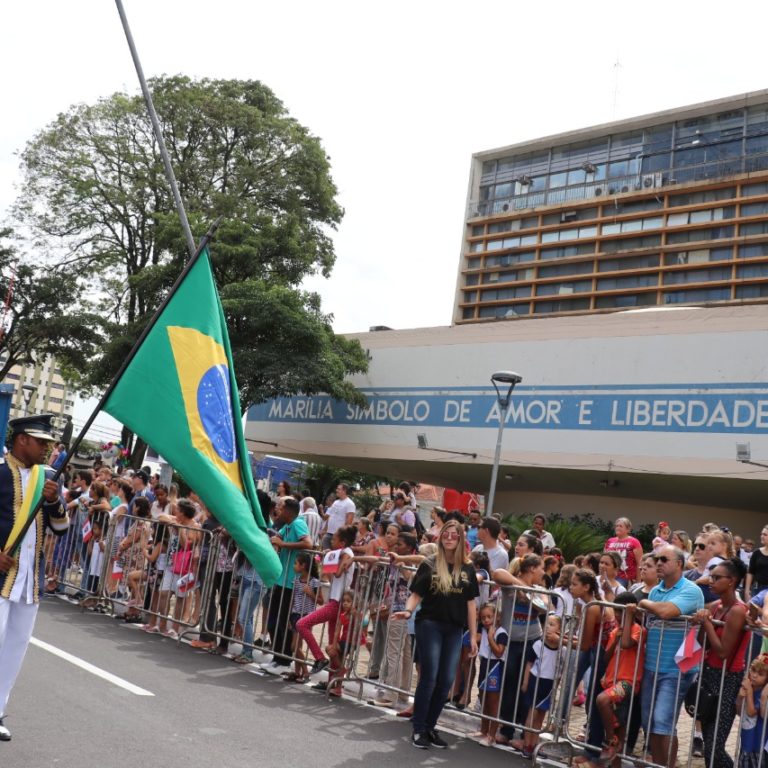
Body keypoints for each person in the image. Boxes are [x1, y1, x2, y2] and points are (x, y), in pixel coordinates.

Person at [0, 414, 69, 742]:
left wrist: (54, 500)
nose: (47, 448)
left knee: (15, 648)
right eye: (41, 442)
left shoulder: (50, 478)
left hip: (30, 579)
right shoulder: (0, 472)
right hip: (1, 577)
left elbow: (62, 528)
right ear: (21, 439)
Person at [392, 519, 479, 750]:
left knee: (446, 681)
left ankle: (430, 726)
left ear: (461, 538)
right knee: (429, 676)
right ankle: (419, 728)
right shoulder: (429, 563)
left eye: (454, 534)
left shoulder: (467, 568)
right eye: (446, 534)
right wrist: (408, 611)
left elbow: (471, 604)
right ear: (440, 538)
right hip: (429, 624)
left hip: (454, 628)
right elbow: (416, 594)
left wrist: (473, 636)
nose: (450, 538)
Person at [637, 545, 704, 768]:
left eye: (664, 559)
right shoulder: (656, 591)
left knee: (662, 721)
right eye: (656, 559)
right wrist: (652, 602)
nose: (658, 563)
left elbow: (665, 612)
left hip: (678, 668)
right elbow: (657, 615)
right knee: (650, 722)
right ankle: (658, 764)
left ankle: (667, 764)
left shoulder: (691, 589)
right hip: (651, 665)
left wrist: (644, 602)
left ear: (679, 564)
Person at [691, 557, 749, 768]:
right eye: (711, 576)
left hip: (728, 679)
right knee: (708, 741)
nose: (711, 581)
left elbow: (724, 651)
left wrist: (706, 623)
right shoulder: (715, 606)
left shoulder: (738, 610)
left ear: (732, 581)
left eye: (717, 577)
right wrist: (701, 621)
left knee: (715, 745)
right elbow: (702, 643)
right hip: (709, 674)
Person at [595, 592, 646, 765]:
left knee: (601, 700)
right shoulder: (615, 632)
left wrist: (629, 619)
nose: (617, 615)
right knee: (618, 728)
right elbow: (606, 658)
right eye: (616, 611)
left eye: (621, 611)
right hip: (611, 682)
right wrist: (615, 639)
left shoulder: (638, 630)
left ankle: (610, 742)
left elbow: (627, 644)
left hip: (627, 682)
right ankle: (614, 745)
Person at [264, 497, 312, 669]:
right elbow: (277, 537)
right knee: (273, 622)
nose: (278, 510)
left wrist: (283, 543)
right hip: (281, 580)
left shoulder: (298, 523)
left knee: (282, 623)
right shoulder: (287, 525)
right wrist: (277, 541)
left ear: (289, 511)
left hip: (290, 584)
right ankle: (277, 657)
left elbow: (308, 543)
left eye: (281, 507)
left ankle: (283, 661)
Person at [735, 654, 768, 768]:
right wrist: (740, 697)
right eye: (753, 670)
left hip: (758, 743)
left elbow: (751, 712)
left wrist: (749, 692)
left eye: (760, 674)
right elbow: (739, 712)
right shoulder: (748, 688)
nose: (754, 675)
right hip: (746, 740)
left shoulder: (763, 694)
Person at [604, 517, 643, 587]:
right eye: (616, 526)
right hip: (609, 575)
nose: (618, 528)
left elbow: (639, 563)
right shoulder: (610, 541)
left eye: (620, 526)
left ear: (628, 529)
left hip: (625, 577)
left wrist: (638, 581)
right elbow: (604, 559)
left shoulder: (634, 542)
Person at [320, 484, 355, 550]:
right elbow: (330, 516)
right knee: (324, 554)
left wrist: (342, 535)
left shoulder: (350, 503)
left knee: (334, 556)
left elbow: (349, 521)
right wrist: (324, 530)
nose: (336, 490)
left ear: (344, 491)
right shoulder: (335, 502)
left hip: (338, 536)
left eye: (339, 489)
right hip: (328, 533)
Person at [746, 526, 768, 599]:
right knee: (753, 609)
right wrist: (747, 590)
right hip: (756, 588)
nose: (762, 536)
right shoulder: (756, 552)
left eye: (765, 535)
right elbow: (750, 572)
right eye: (761, 534)